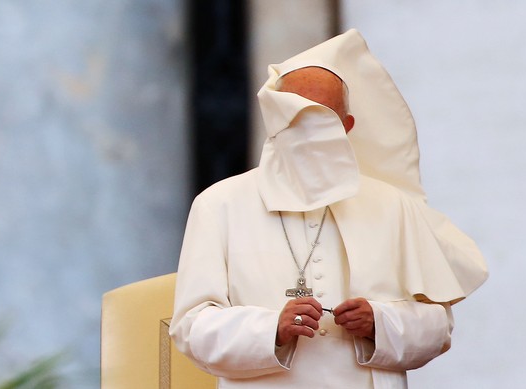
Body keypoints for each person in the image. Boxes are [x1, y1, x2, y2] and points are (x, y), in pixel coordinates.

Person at [170, 29, 488, 389]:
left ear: (347, 127)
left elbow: (437, 329)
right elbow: (191, 328)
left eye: (321, 121)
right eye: (295, 120)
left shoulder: (391, 205)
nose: (306, 134)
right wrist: (270, 328)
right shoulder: (219, 205)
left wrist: (379, 322)